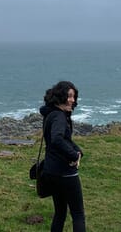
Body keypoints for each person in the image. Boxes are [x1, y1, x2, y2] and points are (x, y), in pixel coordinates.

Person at [40, 81, 86, 232]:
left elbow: (64, 140)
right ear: (60, 97)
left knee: (60, 213)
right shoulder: (59, 117)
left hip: (51, 171)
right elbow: (57, 139)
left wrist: (78, 151)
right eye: (70, 96)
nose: (73, 100)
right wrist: (73, 155)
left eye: (74, 96)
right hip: (65, 173)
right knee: (78, 214)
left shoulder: (51, 114)